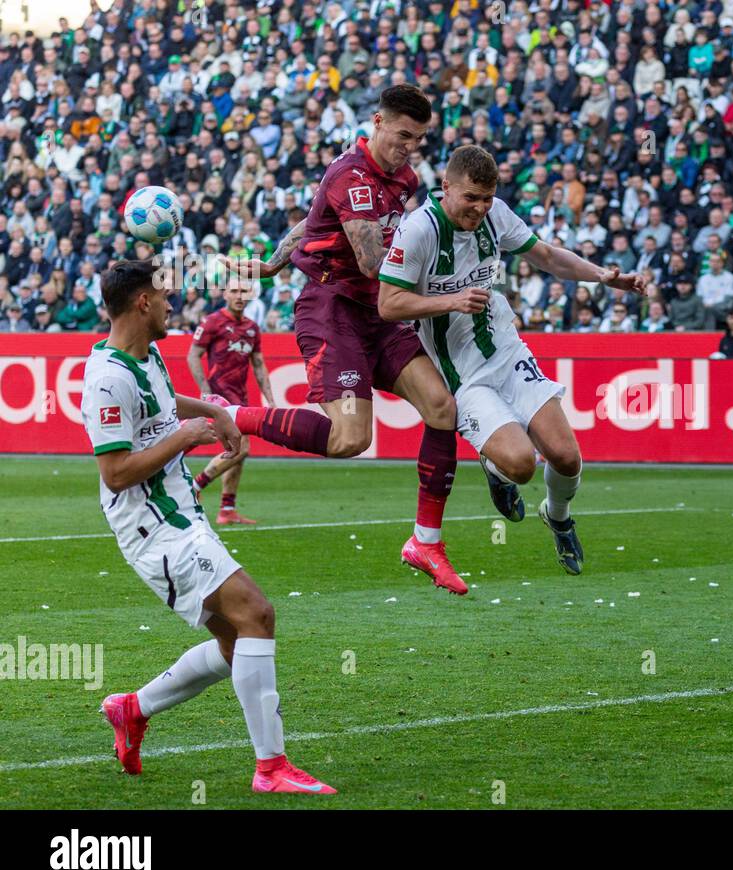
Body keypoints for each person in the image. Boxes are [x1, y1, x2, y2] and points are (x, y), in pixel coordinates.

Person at [83, 260, 333, 794]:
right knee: (257, 614)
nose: (173, 303)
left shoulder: (145, 355)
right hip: (154, 527)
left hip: (180, 513)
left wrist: (213, 412)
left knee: (235, 644)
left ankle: (133, 709)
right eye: (164, 295)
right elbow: (116, 471)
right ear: (142, 303)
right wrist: (187, 436)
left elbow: (162, 404)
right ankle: (271, 769)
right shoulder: (106, 379)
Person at [222, 85, 475, 596]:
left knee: (442, 407)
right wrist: (443, 290)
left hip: (379, 313)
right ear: (377, 122)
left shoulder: (404, 178)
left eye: (419, 139)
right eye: (403, 135)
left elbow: (313, 216)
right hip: (332, 307)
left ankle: (426, 542)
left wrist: (273, 262)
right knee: (350, 440)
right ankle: (230, 414)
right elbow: (371, 262)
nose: (409, 147)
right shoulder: (351, 175)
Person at [377, 145, 650, 574]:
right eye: (471, 198)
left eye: (487, 198)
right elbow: (388, 304)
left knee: (566, 456)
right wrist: (451, 300)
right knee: (522, 464)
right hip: (463, 374)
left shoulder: (495, 214)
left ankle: (558, 518)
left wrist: (601, 275)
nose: (480, 208)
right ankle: (496, 468)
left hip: (506, 349)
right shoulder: (419, 232)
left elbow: (544, 255)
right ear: (446, 187)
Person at [187, 282, 274, 525]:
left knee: (238, 452)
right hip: (219, 399)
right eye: (234, 291)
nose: (239, 296)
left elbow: (258, 365)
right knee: (241, 448)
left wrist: (270, 397)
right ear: (225, 294)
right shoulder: (213, 321)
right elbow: (193, 354)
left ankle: (227, 508)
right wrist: (204, 390)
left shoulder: (252, 328)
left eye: (243, 292)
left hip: (240, 398)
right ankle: (195, 485)